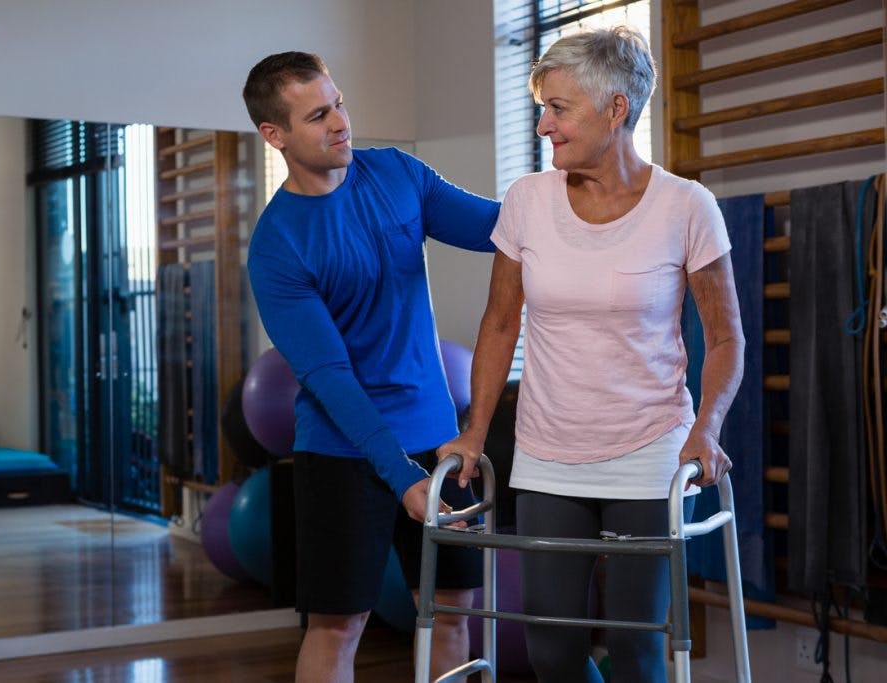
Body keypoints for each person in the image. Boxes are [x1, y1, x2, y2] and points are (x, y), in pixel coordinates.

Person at [437, 26, 744, 682]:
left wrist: (706, 426)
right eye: (541, 108)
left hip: (650, 449)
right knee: (551, 648)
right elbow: (499, 323)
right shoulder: (527, 202)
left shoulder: (687, 207)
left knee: (636, 647)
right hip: (548, 451)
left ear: (615, 109)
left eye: (559, 108)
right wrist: (474, 429)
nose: (544, 124)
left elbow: (725, 338)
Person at [243, 52, 500, 682]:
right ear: (274, 135)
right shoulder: (278, 246)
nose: (341, 123)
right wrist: (397, 473)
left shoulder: (397, 175)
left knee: (451, 611)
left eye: (339, 103)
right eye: (317, 115)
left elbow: (499, 227)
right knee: (338, 626)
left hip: (438, 442)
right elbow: (329, 378)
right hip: (342, 451)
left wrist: (582, 184)